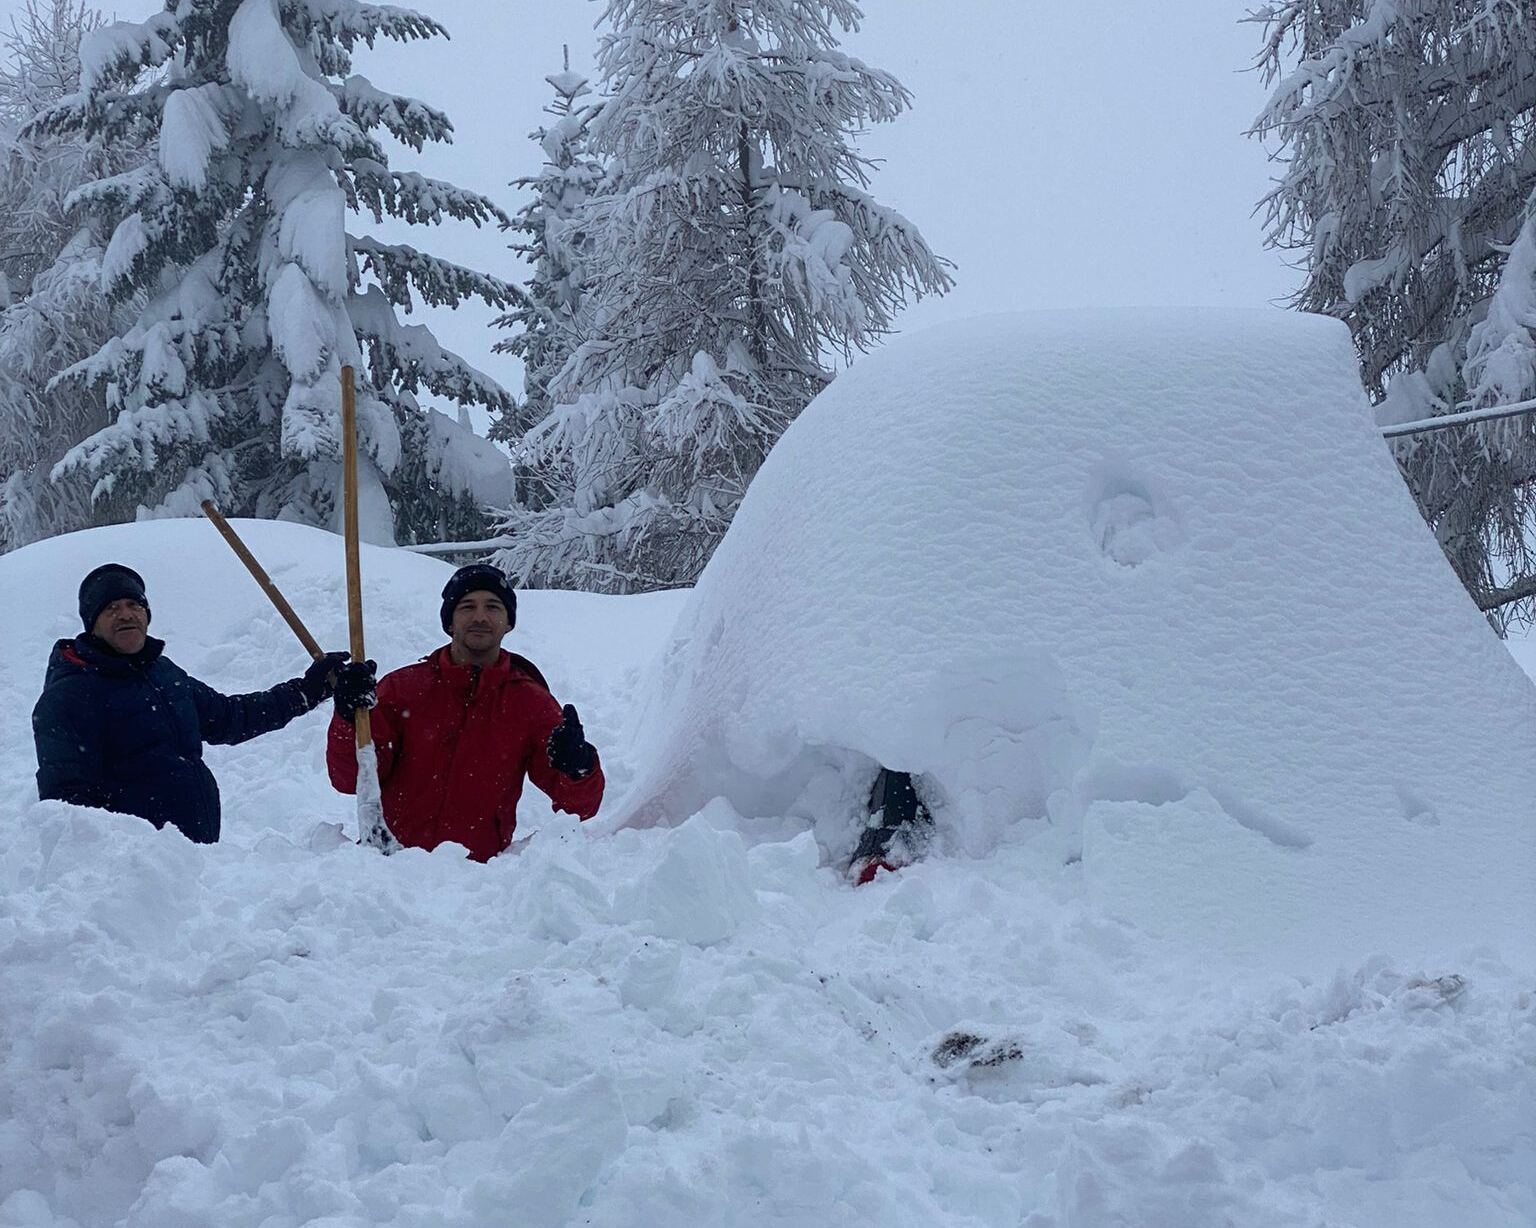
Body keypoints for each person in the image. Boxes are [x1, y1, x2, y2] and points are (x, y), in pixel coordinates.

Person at [33, 562, 349, 844]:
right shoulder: (69, 695)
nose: (126, 614)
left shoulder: (162, 673)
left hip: (192, 863)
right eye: (111, 608)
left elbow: (230, 718)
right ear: (93, 624)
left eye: (134, 604)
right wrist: (127, 862)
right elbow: (66, 807)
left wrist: (307, 690)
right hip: (137, 877)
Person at [325, 563, 604, 861]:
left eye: (493, 607)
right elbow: (350, 779)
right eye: (467, 607)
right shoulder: (401, 690)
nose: (480, 617)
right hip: (393, 873)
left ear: (509, 622)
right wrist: (348, 718)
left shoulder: (530, 703)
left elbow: (579, 808)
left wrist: (579, 768)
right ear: (449, 622)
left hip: (477, 885)